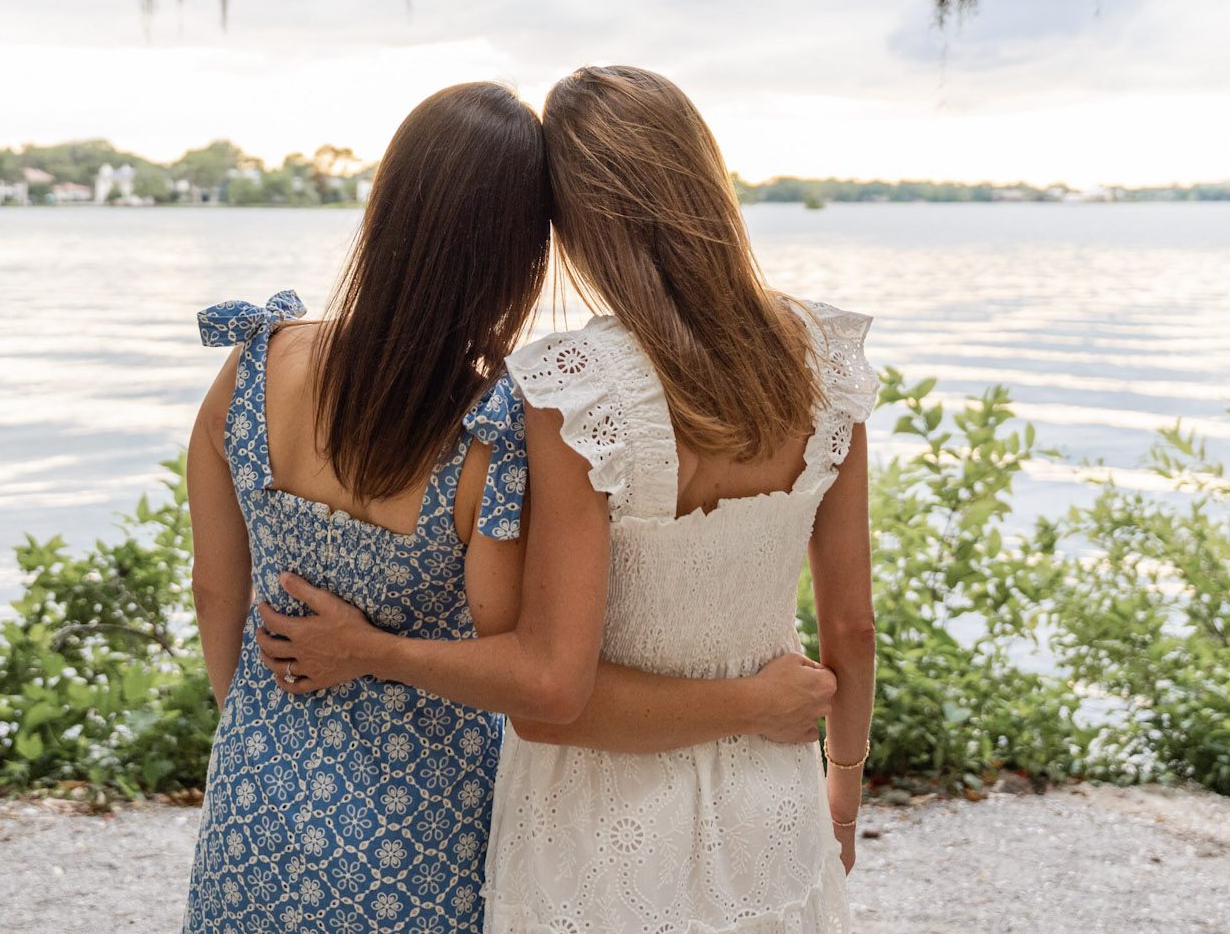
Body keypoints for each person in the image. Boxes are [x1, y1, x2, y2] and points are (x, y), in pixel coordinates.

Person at [184, 80, 836, 933]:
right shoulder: (488, 433)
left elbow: (213, 589)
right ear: (520, 255)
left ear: (385, 209)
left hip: (257, 799)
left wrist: (263, 736)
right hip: (424, 830)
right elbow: (522, 665)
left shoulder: (252, 366)